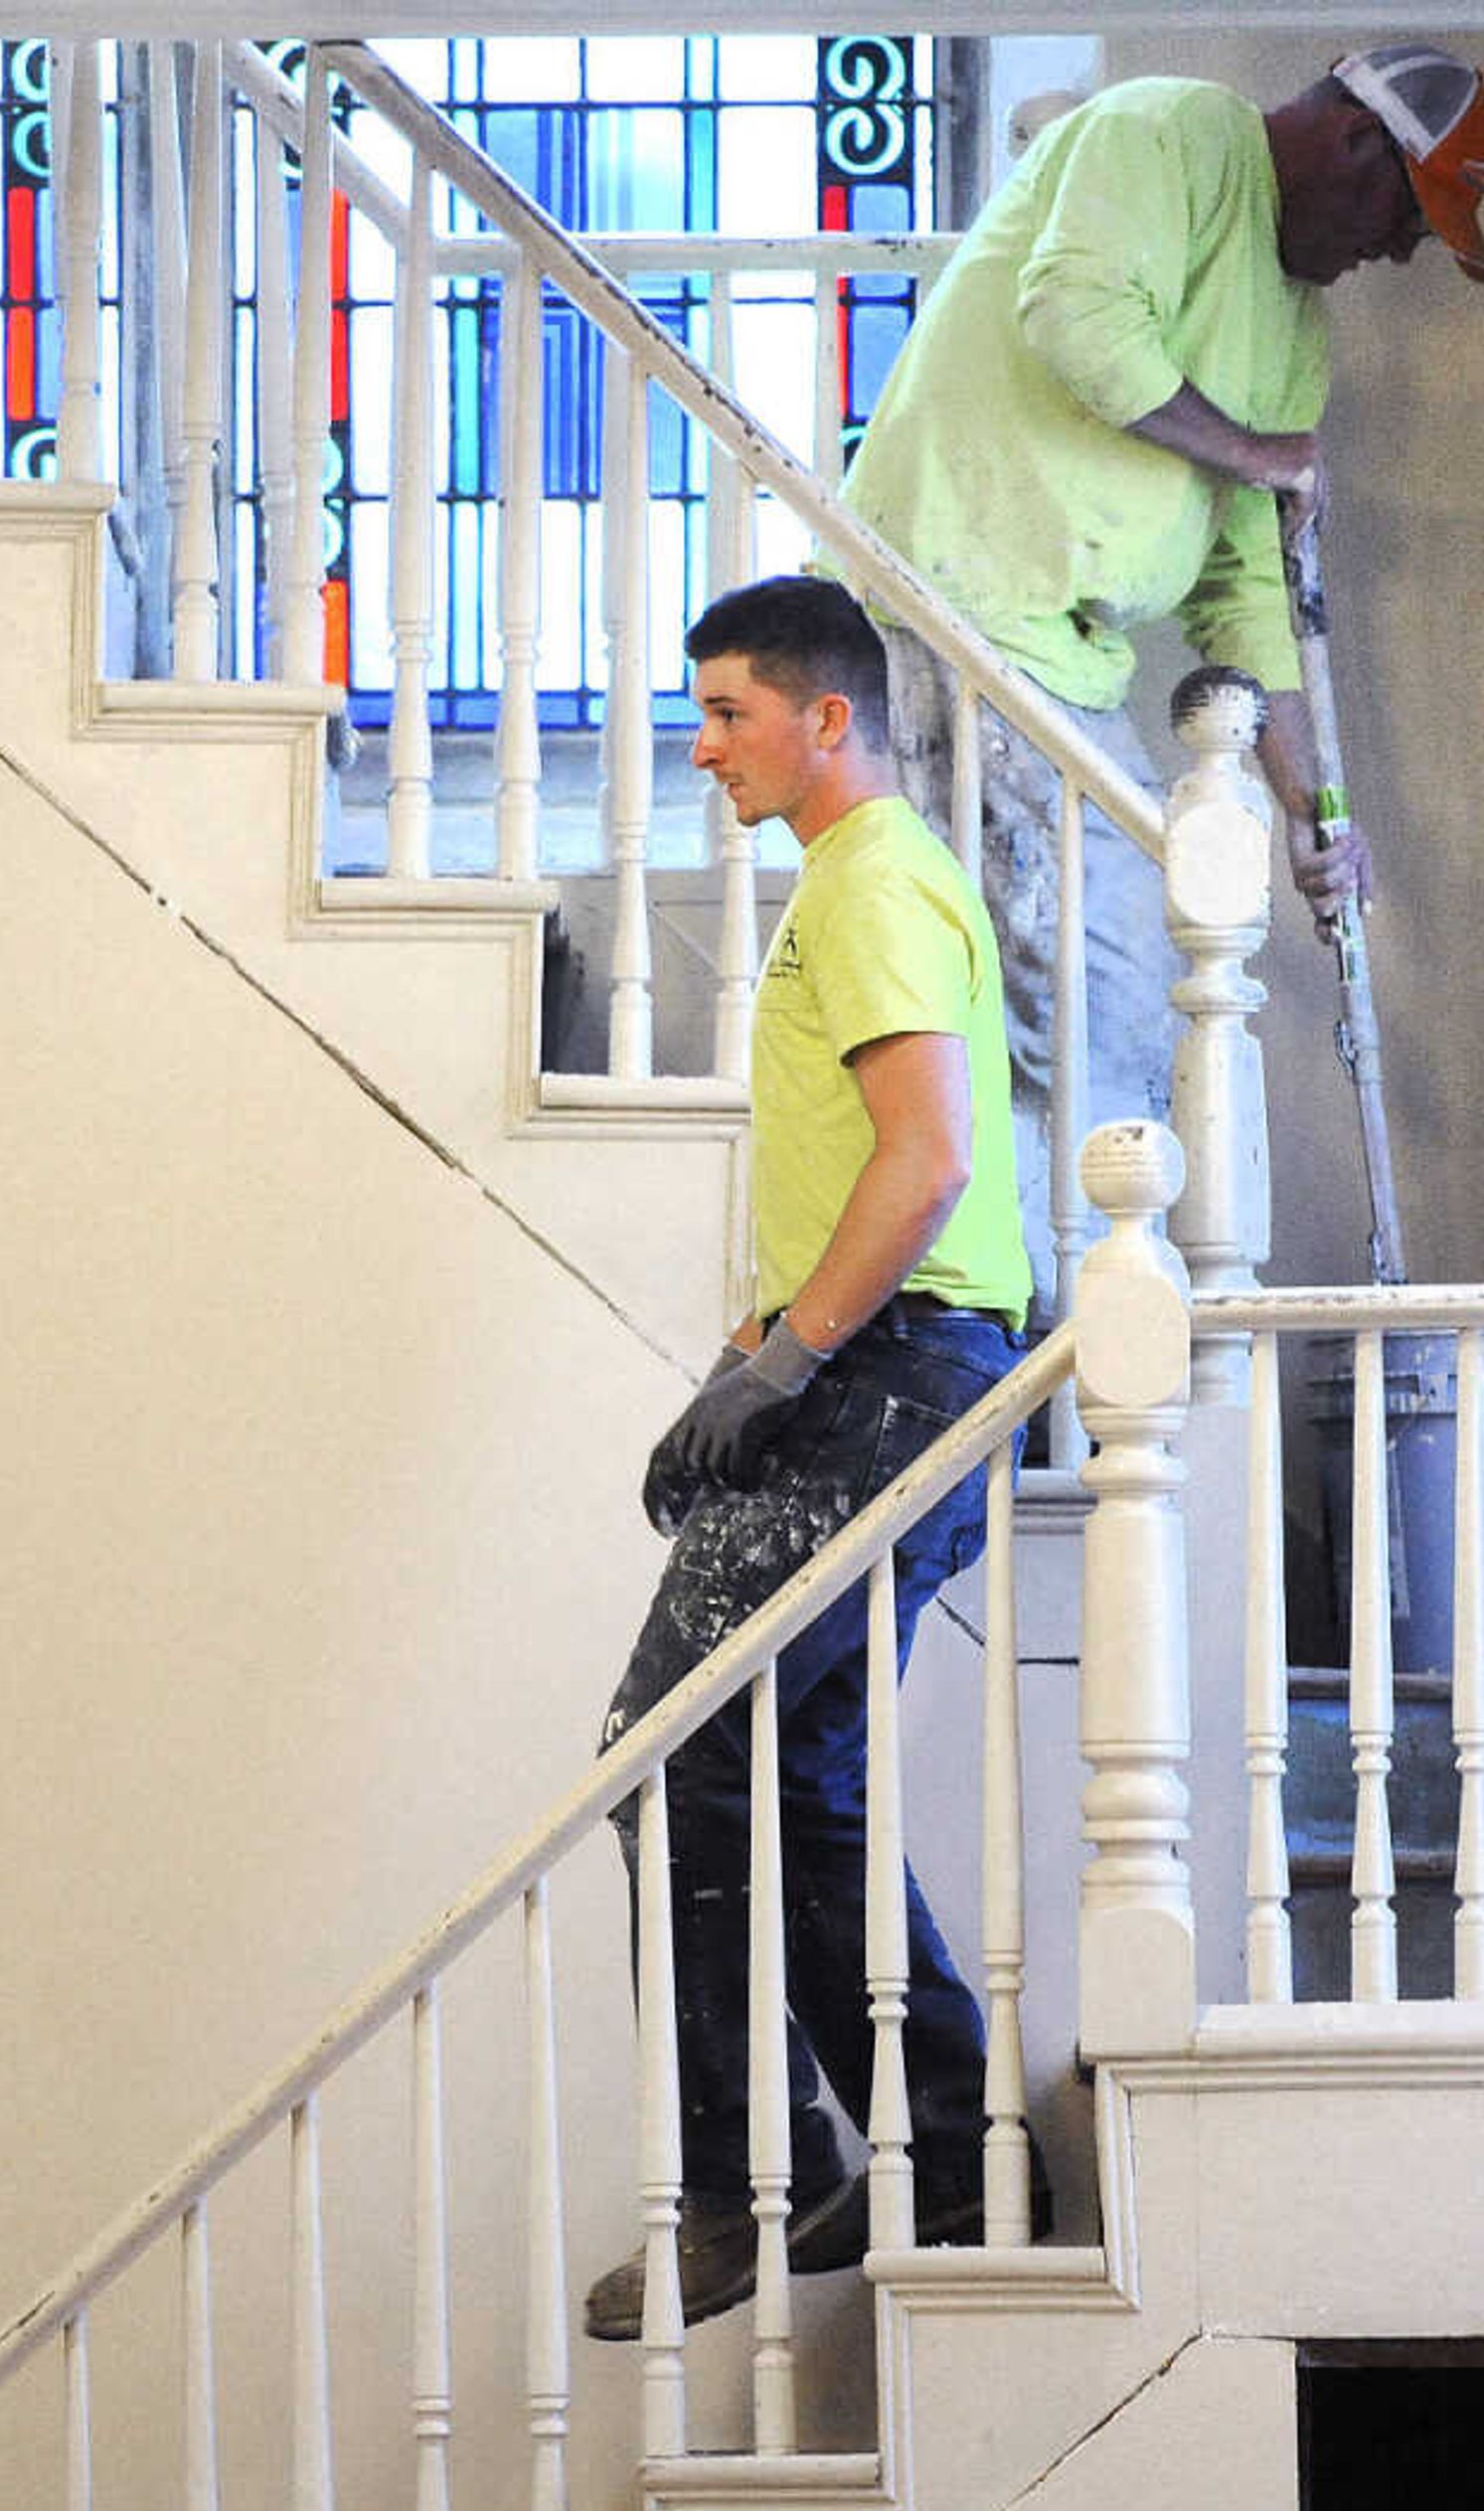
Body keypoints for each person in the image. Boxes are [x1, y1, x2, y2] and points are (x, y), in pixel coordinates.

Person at [836, 42, 1484, 1261]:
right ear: (1359, 144)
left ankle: (1041, 1310)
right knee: (1115, 982)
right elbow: (1071, 309)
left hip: (1060, 662)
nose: (1397, 254)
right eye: (1411, 218)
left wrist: (1306, 808)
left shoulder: (1294, 331)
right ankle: (1065, 1315)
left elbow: (1251, 594)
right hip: (957, 609)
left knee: (1099, 1001)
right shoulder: (1173, 135)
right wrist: (1257, 454)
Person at [583, 575, 1037, 2342]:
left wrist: (786, 1363)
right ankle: (951, 2147)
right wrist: (744, 1362)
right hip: (897, 1359)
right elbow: (882, 1166)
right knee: (799, 1772)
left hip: (898, 1366)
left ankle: (724, 2188)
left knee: (666, 1743)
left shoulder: (871, 880)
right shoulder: (858, 881)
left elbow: (922, 1160)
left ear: (826, 715)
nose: (704, 749)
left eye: (728, 715)